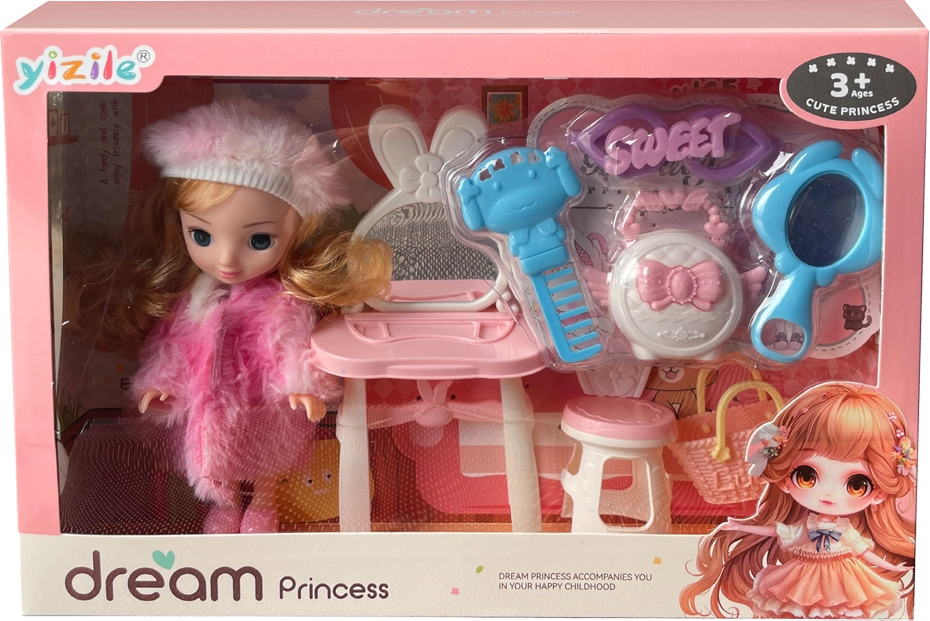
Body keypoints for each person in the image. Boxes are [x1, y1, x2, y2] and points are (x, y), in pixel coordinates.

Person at [71, 99, 390, 533]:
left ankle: (264, 503)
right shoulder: (193, 300)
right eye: (201, 235)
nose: (226, 260)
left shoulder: (281, 300)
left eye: (259, 240)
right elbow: (172, 345)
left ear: (296, 232)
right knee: (218, 455)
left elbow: (291, 343)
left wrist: (302, 385)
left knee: (266, 456)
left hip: (266, 400)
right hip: (211, 402)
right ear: (179, 225)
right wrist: (163, 384)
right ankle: (224, 506)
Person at [679, 382, 915, 618]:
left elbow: (864, 553)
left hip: (845, 578)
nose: (828, 494)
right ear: (784, 480)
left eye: (856, 485)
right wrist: (740, 526)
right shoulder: (807, 526)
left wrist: (891, 567)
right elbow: (776, 531)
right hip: (803, 575)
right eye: (806, 476)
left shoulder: (845, 531)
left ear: (879, 493)